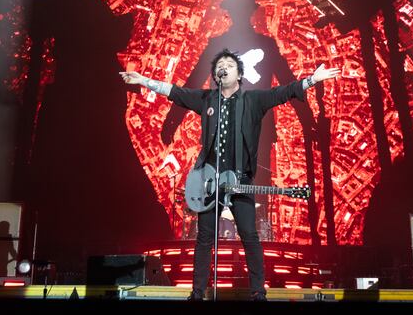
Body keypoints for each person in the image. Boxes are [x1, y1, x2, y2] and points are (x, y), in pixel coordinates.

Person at [120, 49, 340, 301]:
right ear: (216, 75)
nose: (223, 68)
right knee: (204, 239)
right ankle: (197, 292)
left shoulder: (253, 100)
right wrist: (143, 80)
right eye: (219, 65)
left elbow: (284, 92)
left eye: (229, 65)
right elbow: (175, 92)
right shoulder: (207, 100)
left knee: (249, 235)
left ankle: (258, 291)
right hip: (208, 181)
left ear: (239, 73)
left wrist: (312, 79)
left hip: (241, 182)